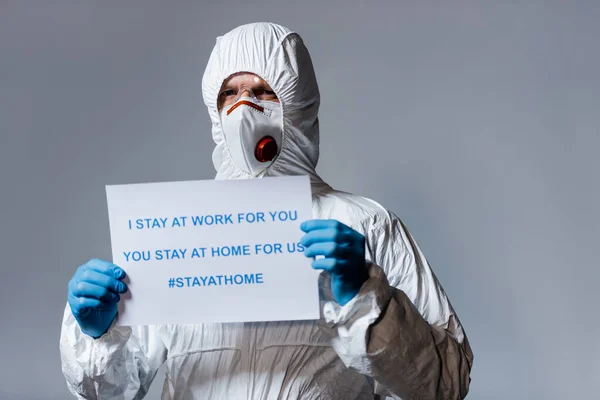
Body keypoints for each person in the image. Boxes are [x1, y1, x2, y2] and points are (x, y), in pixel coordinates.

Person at [60, 22, 473, 399]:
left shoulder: (365, 225)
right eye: (230, 93)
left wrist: (365, 297)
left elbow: (446, 383)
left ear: (297, 104)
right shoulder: (177, 231)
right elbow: (111, 390)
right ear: (214, 109)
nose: (243, 108)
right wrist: (99, 335)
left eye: (262, 92)